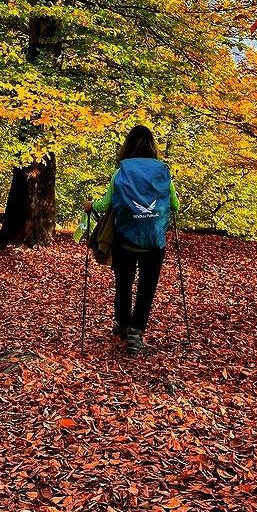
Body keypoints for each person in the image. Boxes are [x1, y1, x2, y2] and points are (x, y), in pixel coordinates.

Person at [84, 125, 179, 355]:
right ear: (152, 146)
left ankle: (123, 325)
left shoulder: (121, 172)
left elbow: (105, 204)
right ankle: (136, 333)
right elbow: (175, 205)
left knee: (124, 285)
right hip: (154, 241)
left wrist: (90, 206)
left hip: (125, 239)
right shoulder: (163, 172)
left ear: (128, 145)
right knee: (147, 287)